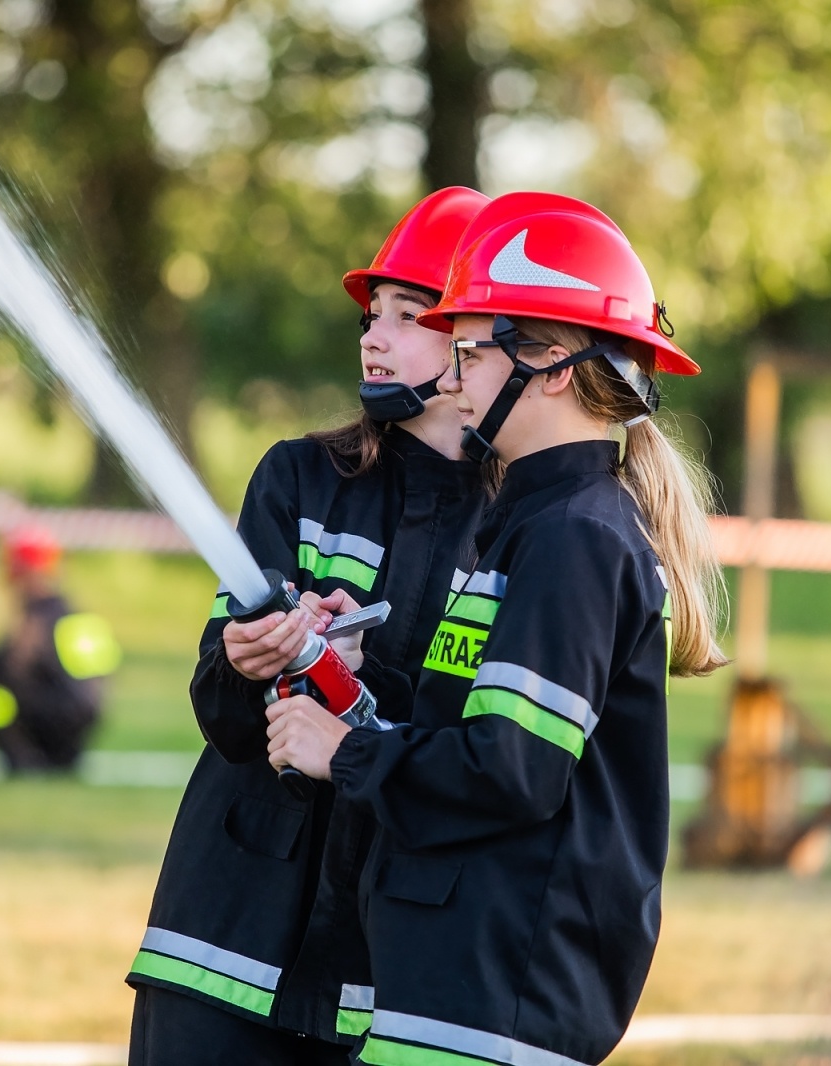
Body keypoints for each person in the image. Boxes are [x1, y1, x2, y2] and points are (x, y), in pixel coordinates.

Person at [265, 192, 728, 1066]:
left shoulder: (574, 539)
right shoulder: (529, 525)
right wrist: (353, 689)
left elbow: (513, 770)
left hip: (497, 996)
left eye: (472, 351)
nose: (451, 377)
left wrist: (345, 751)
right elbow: (468, 737)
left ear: (551, 363)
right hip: (450, 980)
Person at [124, 186, 491, 1065]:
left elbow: (485, 756)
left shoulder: (524, 527)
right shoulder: (299, 478)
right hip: (221, 941)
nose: (373, 335)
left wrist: (360, 686)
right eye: (373, 313)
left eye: (410, 315)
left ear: (480, 340)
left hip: (385, 972)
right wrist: (252, 663)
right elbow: (219, 714)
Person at [0, 523, 119, 772]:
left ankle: (23, 760)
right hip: (79, 727)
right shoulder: (77, 619)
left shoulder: (36, 622)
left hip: (55, 719)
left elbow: (11, 672)